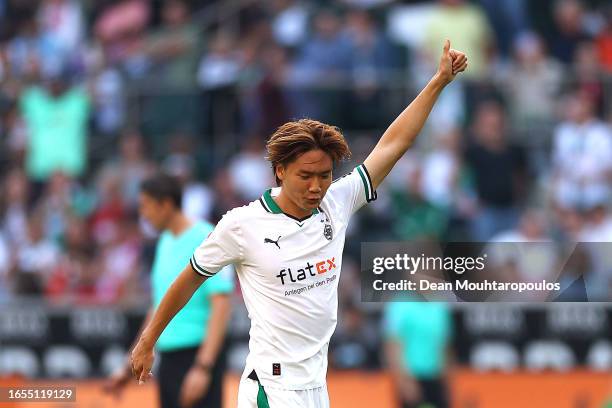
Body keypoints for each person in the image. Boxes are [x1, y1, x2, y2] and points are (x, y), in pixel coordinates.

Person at [130, 40, 468, 407]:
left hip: (315, 387)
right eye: (306, 175)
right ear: (280, 171)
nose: (317, 186)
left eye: (324, 175)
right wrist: (148, 340)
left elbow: (393, 144)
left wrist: (438, 82)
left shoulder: (336, 202)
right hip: (272, 388)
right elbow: (190, 278)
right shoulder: (242, 225)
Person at [104, 173, 234, 408]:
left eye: (146, 206)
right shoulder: (164, 241)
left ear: (165, 204)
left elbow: (221, 304)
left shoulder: (206, 236)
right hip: (169, 360)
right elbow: (158, 306)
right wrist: (130, 363)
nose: (143, 214)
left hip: (197, 356)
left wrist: (203, 368)